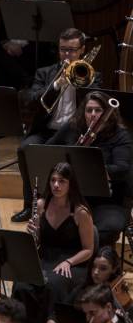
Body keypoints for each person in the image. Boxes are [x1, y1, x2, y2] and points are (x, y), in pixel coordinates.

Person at [12, 27, 102, 222]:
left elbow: (95, 104)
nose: (67, 55)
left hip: (73, 132)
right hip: (45, 130)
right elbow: (32, 101)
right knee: (25, 149)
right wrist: (56, 84)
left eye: (72, 50)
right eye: (63, 50)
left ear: (82, 50)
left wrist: (80, 82)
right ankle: (30, 206)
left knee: (72, 154)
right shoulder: (44, 73)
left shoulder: (91, 75)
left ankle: (73, 207)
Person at [13, 162, 93, 323]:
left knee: (53, 285)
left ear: (71, 184)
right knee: (22, 283)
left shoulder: (80, 212)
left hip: (73, 263)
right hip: (46, 257)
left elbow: (88, 249)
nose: (56, 185)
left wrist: (68, 262)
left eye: (62, 181)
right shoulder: (42, 204)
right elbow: (39, 241)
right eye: (53, 180)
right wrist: (34, 232)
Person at [46, 91, 131, 245]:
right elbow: (47, 149)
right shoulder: (73, 127)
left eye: (98, 110)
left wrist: (89, 167)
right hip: (74, 196)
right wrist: (71, 152)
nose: (93, 114)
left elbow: (122, 169)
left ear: (108, 114)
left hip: (109, 201)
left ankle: (94, 257)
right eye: (89, 110)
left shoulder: (120, 135)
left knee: (108, 228)